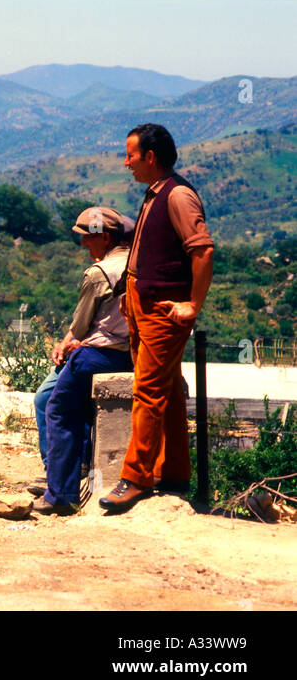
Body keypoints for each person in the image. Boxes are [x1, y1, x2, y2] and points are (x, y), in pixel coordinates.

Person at [98, 124, 214, 513]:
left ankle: (134, 478)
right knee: (166, 394)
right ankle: (175, 473)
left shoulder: (177, 195)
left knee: (147, 393)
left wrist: (192, 306)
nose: (125, 162)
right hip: (143, 308)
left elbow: (203, 251)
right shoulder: (155, 193)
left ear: (150, 156)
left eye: (130, 154)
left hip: (163, 313)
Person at [31, 207, 135, 515]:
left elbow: (81, 325)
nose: (82, 245)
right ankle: (70, 475)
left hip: (100, 354)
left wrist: (68, 342)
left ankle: (60, 492)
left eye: (86, 239)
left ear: (104, 237)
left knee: (56, 407)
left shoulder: (99, 273)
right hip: (131, 354)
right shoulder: (140, 264)